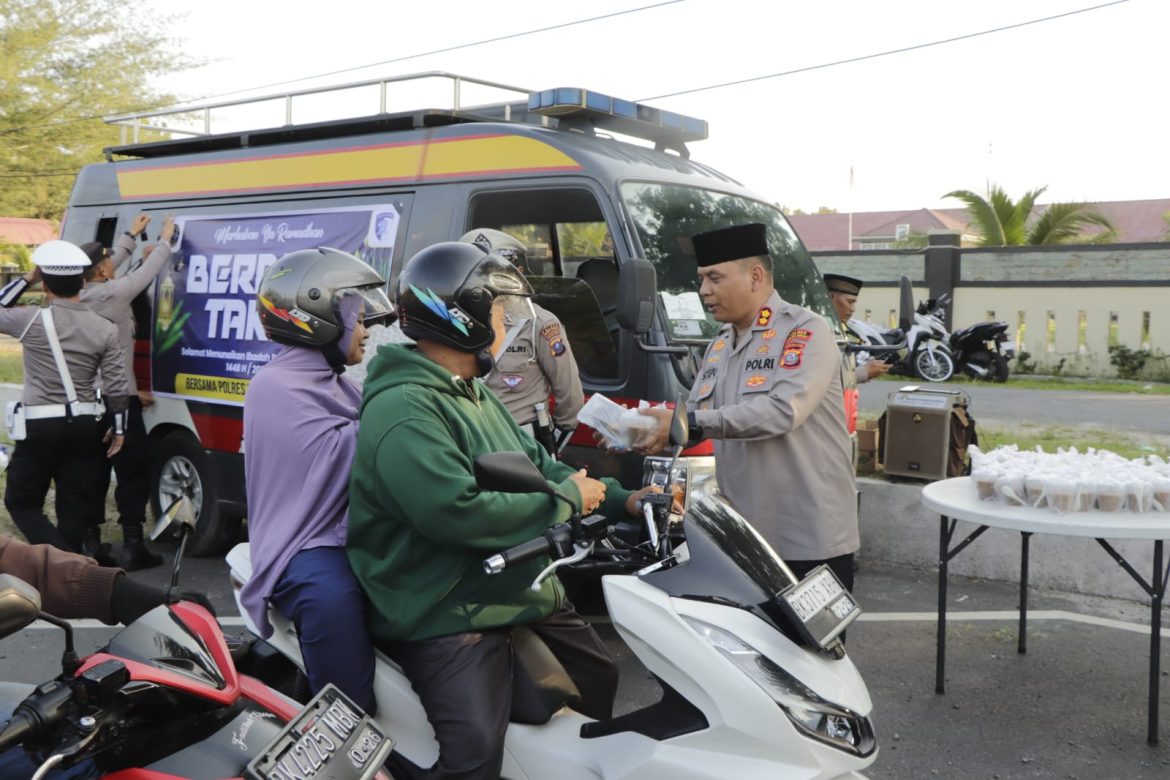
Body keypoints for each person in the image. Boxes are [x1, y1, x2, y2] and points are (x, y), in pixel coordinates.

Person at [347, 241, 655, 779]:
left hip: (512, 587)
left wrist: (621, 498)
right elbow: (453, 512)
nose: (504, 320)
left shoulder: (471, 390)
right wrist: (562, 503)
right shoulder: (404, 408)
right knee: (473, 755)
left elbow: (538, 463)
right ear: (461, 316)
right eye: (495, 309)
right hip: (445, 605)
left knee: (598, 679)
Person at [631, 223, 860, 591]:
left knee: (809, 649)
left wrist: (689, 421)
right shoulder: (720, 343)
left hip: (806, 536)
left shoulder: (803, 331)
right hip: (744, 535)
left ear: (755, 276)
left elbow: (784, 411)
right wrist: (643, 428)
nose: (704, 290)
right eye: (701, 279)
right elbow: (699, 419)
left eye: (714, 278)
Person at [240, 247, 395, 714]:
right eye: (357, 318)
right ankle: (345, 725)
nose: (366, 330)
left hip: (350, 532)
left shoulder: (338, 381)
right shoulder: (275, 385)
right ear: (316, 315)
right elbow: (347, 453)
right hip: (304, 544)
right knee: (332, 599)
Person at [0, 242, 129, 557]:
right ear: (83, 282)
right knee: (74, 508)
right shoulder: (105, 328)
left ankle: (58, 560)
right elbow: (116, 384)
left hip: (41, 425)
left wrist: (26, 279)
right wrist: (121, 428)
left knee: (21, 501)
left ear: (45, 284)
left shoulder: (31, 320)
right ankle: (73, 573)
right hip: (86, 425)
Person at [79, 214, 177, 570]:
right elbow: (145, 273)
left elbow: (111, 266)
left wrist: (129, 237)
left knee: (92, 470)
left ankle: (91, 544)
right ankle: (133, 544)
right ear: (103, 273)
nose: (113, 267)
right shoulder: (112, 294)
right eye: (108, 264)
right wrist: (165, 240)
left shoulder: (75, 293)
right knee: (132, 468)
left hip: (86, 401)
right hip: (119, 398)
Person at [459, 228, 584, 437]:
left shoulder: (539, 323)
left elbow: (569, 394)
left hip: (520, 445)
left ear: (515, 273)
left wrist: (559, 433)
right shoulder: (452, 320)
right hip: (466, 441)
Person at [823, 273, 891, 384]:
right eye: (849, 302)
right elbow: (824, 379)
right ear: (831, 298)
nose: (853, 309)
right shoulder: (818, 330)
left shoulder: (841, 329)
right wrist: (864, 372)